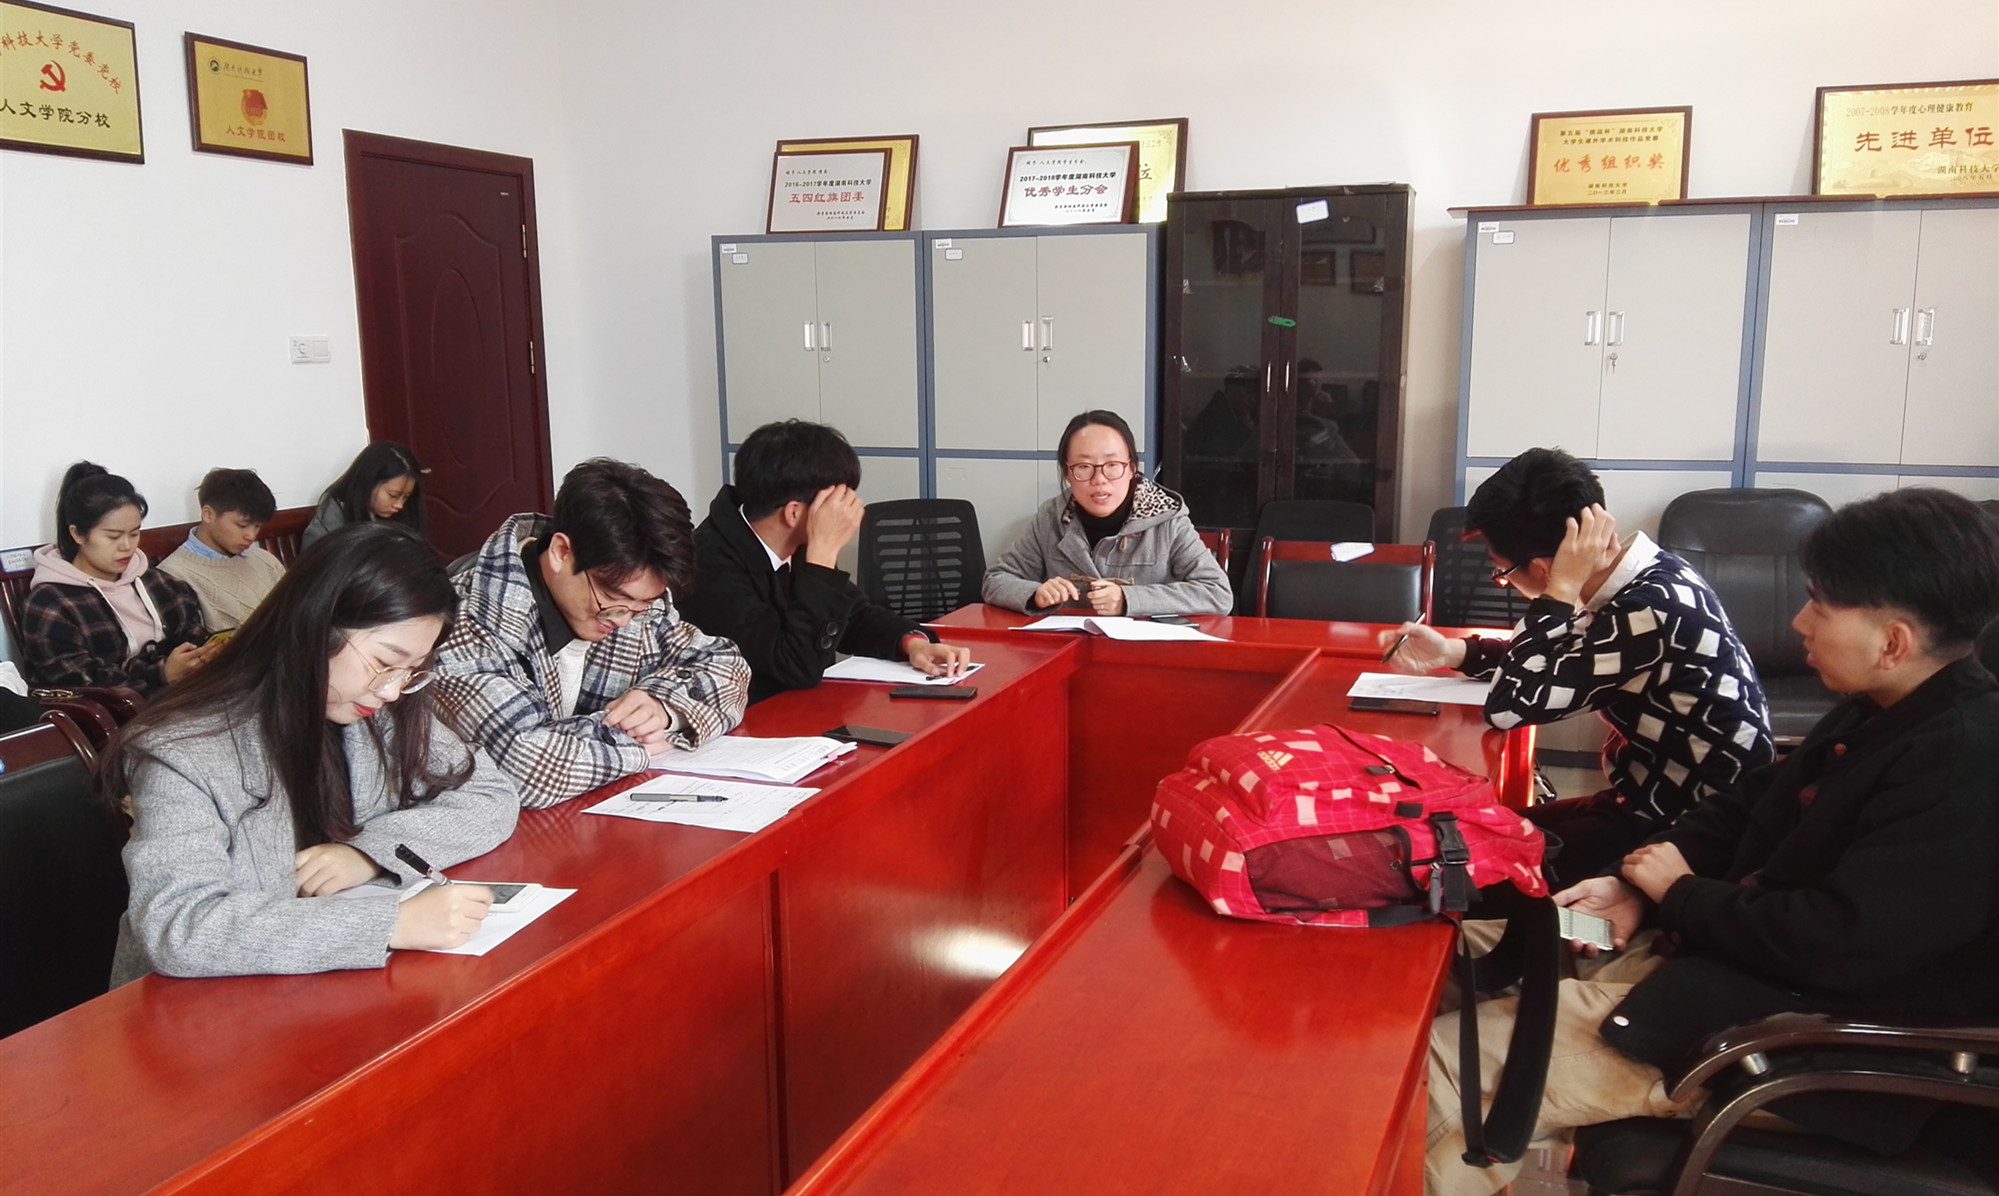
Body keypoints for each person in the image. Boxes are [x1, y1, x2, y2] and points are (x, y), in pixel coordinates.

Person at [1426, 488, 1999, 1195]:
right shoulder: (1882, 709)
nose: (1797, 622)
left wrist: (1679, 894)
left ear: (1893, 643)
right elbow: (1746, 802)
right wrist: (1636, 888)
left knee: (1435, 1069)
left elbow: (1839, 941)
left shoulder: (1961, 763)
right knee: (1442, 952)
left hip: (1788, 1039)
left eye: (1819, 604)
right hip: (1713, 962)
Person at [106, 522, 520, 983]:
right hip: (203, 1005)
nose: (391, 690)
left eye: (411, 670)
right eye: (384, 662)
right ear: (316, 627)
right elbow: (179, 926)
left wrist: (367, 855)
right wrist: (389, 924)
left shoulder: (379, 711)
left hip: (329, 987)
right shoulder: (184, 751)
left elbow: (491, 795)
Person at [1377, 448, 1773, 884]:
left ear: (1543, 568)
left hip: (1688, 832)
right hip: (1649, 800)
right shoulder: (1647, 575)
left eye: (1503, 573)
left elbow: (1510, 706)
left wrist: (1561, 588)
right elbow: (1566, 661)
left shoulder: (1646, 609)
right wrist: (1458, 653)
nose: (1504, 581)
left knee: (1448, 869)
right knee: (1467, 832)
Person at [431, 458, 751, 808]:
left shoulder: (633, 602)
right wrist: (642, 737)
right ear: (561, 552)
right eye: (613, 599)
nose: (626, 621)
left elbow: (728, 666)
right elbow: (529, 768)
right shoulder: (460, 623)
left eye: (645, 604)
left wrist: (663, 706)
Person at [679, 420, 973, 703]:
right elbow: (794, 666)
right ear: (794, 513)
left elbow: (852, 616)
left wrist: (912, 643)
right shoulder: (706, 566)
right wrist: (821, 558)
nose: (848, 513)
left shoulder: (794, 542)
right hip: (749, 722)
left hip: (801, 713)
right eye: (836, 503)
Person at [983, 410, 1233, 618]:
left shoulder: (1168, 520)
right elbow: (995, 580)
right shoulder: (1051, 518)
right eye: (1084, 466)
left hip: (1145, 654)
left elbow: (1217, 592)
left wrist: (1129, 599)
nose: (1099, 480)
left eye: (1112, 465)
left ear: (1132, 468)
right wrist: (1035, 594)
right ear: (1067, 473)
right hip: (1067, 650)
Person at [20, 462, 212, 697]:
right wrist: (162, 673)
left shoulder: (155, 581)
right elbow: (82, 680)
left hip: (186, 695)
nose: (127, 546)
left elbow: (192, 630)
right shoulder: (51, 604)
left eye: (134, 533)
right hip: (124, 711)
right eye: (113, 536)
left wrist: (202, 654)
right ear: (77, 534)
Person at [157, 467, 287, 632]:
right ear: (208, 515)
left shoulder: (265, 561)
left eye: (258, 526)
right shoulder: (174, 576)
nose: (251, 535)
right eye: (242, 525)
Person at [303, 441, 425, 548]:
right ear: (368, 483)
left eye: (406, 497)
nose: (400, 505)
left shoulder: (394, 515)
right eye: (393, 495)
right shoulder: (327, 527)